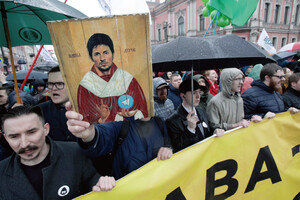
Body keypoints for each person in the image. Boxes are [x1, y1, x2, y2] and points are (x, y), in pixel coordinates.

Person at [0, 106, 116, 199]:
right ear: (6, 138)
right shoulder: (1, 171)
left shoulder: (75, 153)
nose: (24, 144)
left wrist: (103, 184)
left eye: (31, 132)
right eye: (14, 136)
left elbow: (94, 182)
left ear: (46, 129)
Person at [65, 102, 173, 179]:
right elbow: (101, 136)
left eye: (149, 101)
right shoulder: (121, 123)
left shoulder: (159, 122)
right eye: (141, 102)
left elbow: (167, 142)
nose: (146, 107)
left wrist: (168, 149)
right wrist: (89, 135)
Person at [77, 33, 148, 124]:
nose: (102, 58)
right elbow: (85, 119)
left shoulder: (128, 80)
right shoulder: (86, 85)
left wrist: (133, 115)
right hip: (103, 135)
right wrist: (102, 119)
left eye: (106, 53)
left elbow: (143, 111)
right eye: (97, 54)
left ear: (113, 54)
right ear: (91, 57)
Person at [166, 79, 224, 153]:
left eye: (199, 92)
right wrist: (190, 130)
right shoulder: (172, 121)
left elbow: (208, 127)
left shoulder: (201, 110)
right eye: (193, 93)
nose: (198, 96)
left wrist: (215, 130)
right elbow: (178, 147)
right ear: (183, 96)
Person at [38, 66, 76, 142]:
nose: (54, 88)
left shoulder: (88, 109)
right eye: (50, 84)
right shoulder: (38, 111)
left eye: (59, 84)